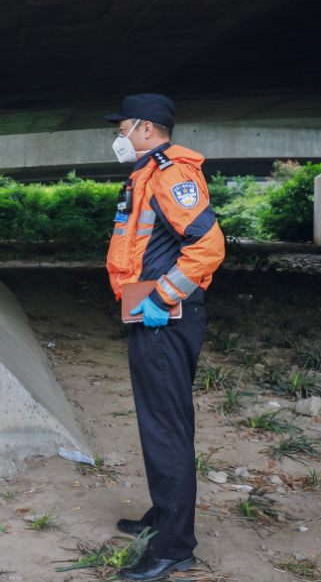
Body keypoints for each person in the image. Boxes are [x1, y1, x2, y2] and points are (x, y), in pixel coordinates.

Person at [103, 94, 225, 582]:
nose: (118, 137)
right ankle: (163, 516)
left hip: (165, 319)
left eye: (123, 128)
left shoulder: (171, 174)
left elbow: (208, 244)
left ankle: (173, 547)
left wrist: (163, 297)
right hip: (153, 316)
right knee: (163, 422)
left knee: (165, 429)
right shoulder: (148, 172)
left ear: (147, 128)